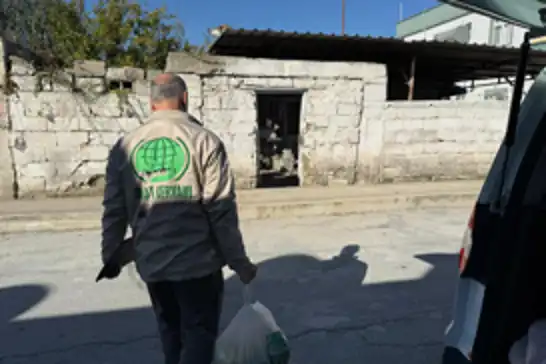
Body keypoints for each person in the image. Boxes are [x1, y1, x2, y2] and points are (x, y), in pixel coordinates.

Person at [100, 73, 258, 364]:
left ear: (151, 103)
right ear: (185, 99)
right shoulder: (205, 141)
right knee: (198, 337)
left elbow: (114, 208)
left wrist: (111, 255)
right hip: (198, 266)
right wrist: (240, 262)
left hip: (153, 264)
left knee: (170, 334)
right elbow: (221, 209)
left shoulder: (125, 146)